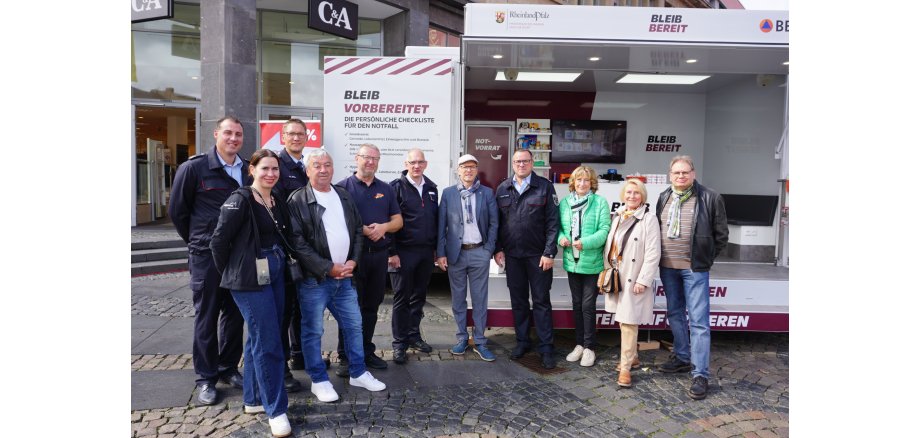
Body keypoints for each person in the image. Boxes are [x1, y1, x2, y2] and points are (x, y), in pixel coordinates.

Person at [288, 149, 387, 403]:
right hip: (315, 280)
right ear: (307, 170)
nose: (323, 169)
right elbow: (298, 244)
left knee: (354, 325)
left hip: (345, 278)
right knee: (313, 331)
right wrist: (327, 267)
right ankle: (319, 380)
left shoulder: (342, 195)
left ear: (333, 168)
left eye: (328, 165)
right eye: (317, 165)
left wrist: (354, 260)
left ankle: (358, 372)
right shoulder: (297, 200)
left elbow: (356, 229)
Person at [209, 149, 292, 437]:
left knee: (260, 336)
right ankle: (276, 410)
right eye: (265, 168)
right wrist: (233, 272)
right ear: (252, 169)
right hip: (249, 277)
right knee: (269, 342)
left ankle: (254, 399)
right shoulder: (240, 199)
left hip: (275, 269)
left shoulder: (275, 198)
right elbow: (218, 241)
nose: (271, 174)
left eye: (275, 169)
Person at [168, 116, 250, 406]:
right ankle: (206, 379)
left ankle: (228, 368)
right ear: (216, 134)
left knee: (234, 315)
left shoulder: (248, 170)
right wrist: (199, 241)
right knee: (207, 316)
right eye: (228, 132)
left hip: (238, 257)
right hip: (206, 257)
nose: (233, 138)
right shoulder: (194, 168)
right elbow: (178, 212)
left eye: (238, 134)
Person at [655, 155, 728, 400]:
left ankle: (700, 374)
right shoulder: (664, 197)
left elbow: (721, 236)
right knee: (675, 314)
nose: (681, 176)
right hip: (667, 267)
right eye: (677, 173)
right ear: (670, 175)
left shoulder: (709, 197)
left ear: (693, 174)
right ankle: (682, 358)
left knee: (698, 321)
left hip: (694, 268)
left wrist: (704, 259)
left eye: (685, 172)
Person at [334, 144, 403, 376]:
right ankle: (345, 355)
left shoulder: (386, 189)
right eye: (366, 157)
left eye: (375, 158)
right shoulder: (342, 188)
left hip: (379, 256)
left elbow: (398, 221)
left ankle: (365, 350)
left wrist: (383, 226)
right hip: (354, 257)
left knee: (372, 307)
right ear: (357, 158)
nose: (370, 162)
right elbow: (336, 221)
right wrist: (363, 230)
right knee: (349, 307)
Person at [494, 149, 561, 369]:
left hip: (538, 256)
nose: (521, 165)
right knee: (519, 301)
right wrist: (498, 248)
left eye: (525, 161)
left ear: (532, 163)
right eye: (517, 161)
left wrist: (549, 252)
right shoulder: (503, 188)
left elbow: (553, 223)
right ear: (512, 164)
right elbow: (497, 223)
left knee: (541, 301)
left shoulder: (544, 187)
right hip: (513, 256)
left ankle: (545, 347)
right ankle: (522, 342)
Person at [436, 154, 499, 362]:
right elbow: (441, 226)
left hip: (479, 253)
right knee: (458, 299)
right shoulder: (448, 194)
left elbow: (493, 224)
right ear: (458, 170)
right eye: (464, 167)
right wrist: (441, 253)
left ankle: (480, 341)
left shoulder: (487, 194)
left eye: (472, 167)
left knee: (480, 299)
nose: (468, 171)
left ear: (477, 169)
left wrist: (488, 249)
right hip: (456, 254)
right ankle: (462, 337)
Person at [602, 179, 661, 388]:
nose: (632, 196)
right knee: (623, 320)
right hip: (618, 275)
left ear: (643, 196)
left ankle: (625, 368)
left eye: (636, 193)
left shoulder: (649, 219)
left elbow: (653, 254)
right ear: (622, 195)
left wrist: (643, 280)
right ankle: (634, 356)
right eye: (628, 192)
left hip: (634, 277)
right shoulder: (618, 216)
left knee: (628, 322)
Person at [388, 148, 438, 364]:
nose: (416, 166)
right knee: (401, 298)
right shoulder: (395, 188)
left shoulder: (432, 188)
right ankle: (399, 343)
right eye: (412, 162)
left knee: (419, 296)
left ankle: (413, 336)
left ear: (425, 164)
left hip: (425, 252)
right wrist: (392, 252)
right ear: (406, 163)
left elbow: (436, 220)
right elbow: (388, 221)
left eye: (420, 162)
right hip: (403, 252)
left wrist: (436, 250)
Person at [557, 166, 611, 368]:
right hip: (572, 262)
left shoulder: (599, 203)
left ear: (592, 183)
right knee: (577, 305)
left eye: (586, 180)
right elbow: (559, 228)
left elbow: (605, 230)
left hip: (592, 264)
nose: (582, 184)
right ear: (573, 182)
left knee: (588, 306)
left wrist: (586, 242)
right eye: (578, 180)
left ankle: (589, 347)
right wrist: (562, 238)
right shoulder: (564, 203)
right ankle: (579, 344)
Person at [275, 119, 310, 391]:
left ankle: (299, 355)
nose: (296, 138)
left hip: (304, 249)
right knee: (283, 311)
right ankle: (282, 367)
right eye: (291, 134)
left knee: (300, 307)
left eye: (300, 134)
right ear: (282, 136)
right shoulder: (277, 166)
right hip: (284, 249)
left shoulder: (305, 167)